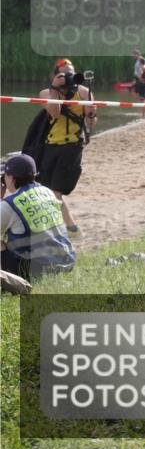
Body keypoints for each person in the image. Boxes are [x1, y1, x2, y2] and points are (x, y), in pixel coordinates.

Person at [37, 59, 95, 234]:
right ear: (55, 75)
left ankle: (70, 226)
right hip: (50, 145)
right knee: (45, 188)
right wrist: (55, 89)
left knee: (55, 190)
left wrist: (91, 114)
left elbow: (92, 124)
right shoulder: (46, 93)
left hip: (72, 146)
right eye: (63, 73)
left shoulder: (84, 92)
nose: (67, 76)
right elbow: (54, 114)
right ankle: (60, 225)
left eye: (70, 72)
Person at [1, 153, 76, 283]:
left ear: (12, 179)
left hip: (38, 272)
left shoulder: (9, 204)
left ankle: (10, 282)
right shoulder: (47, 192)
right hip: (67, 262)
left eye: (5, 176)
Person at [131, 50, 145, 119]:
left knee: (142, 98)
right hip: (139, 80)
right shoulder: (139, 61)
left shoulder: (141, 60)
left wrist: (143, 78)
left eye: (133, 55)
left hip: (140, 81)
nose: (132, 56)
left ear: (137, 55)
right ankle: (144, 113)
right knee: (142, 97)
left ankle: (144, 114)